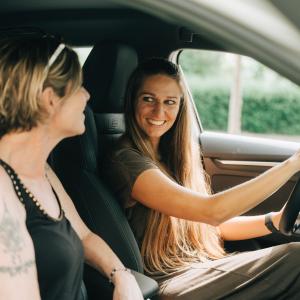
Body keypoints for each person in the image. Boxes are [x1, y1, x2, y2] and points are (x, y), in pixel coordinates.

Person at [103, 58, 300, 299]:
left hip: (197, 265)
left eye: (170, 102)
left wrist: (275, 220)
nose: (159, 111)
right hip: (169, 278)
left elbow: (210, 227)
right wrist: (293, 164)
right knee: (295, 258)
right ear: (132, 100)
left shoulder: (170, 157)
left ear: (180, 106)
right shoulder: (126, 162)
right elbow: (212, 212)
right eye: (148, 99)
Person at [0, 33, 144, 300]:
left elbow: (85, 237)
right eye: (79, 86)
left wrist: (121, 275)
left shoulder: (43, 171)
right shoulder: (2, 192)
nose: (87, 95)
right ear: (50, 99)